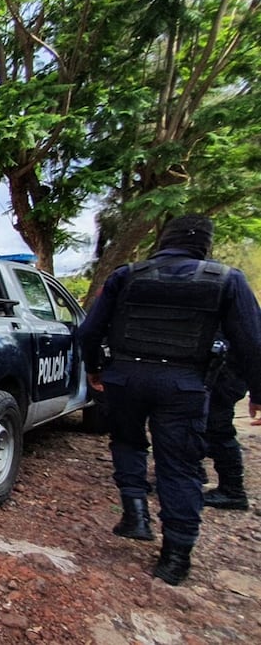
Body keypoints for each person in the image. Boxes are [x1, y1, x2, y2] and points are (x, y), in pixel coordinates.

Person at [77, 214, 261, 586]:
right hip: (185, 384)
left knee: (127, 442)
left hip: (125, 379)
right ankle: (175, 558)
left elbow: (89, 331)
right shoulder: (226, 280)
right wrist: (257, 393)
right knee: (178, 466)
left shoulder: (126, 275)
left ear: (163, 239)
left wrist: (95, 369)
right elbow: (252, 342)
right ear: (205, 243)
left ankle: (136, 516)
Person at [204, 352, 250, 510]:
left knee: (218, 429)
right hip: (218, 369)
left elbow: (252, 343)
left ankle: (232, 490)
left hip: (226, 372)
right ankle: (195, 471)